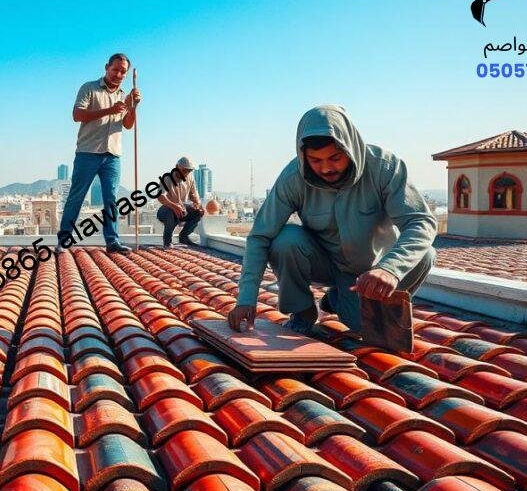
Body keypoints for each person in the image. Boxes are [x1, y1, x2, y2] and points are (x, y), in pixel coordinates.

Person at [228, 105, 436, 335]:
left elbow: (421, 222)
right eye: (315, 161)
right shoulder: (293, 178)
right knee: (285, 239)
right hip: (327, 264)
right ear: (303, 155)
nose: (326, 168)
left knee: (425, 256)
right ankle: (303, 312)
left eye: (335, 158)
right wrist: (246, 299)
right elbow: (259, 236)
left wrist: (390, 269)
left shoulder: (384, 167)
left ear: (350, 147)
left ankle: (343, 300)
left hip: (373, 272)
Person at [57, 53, 141, 254]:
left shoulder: (123, 95)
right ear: (106, 67)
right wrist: (109, 110)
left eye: (123, 72)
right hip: (87, 152)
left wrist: (133, 106)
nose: (118, 74)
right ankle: (63, 240)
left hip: (112, 154)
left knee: (111, 199)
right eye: (115, 70)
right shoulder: (89, 88)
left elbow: (128, 125)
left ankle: (112, 242)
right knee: (76, 196)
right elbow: (77, 115)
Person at [156, 156, 204, 247]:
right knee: (169, 212)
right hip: (166, 210)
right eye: (184, 170)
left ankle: (184, 237)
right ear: (177, 167)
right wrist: (174, 206)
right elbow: (160, 196)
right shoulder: (167, 178)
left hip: (182, 210)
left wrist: (198, 205)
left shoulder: (190, 178)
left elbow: (194, 195)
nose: (186, 173)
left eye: (189, 171)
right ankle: (167, 241)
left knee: (199, 212)